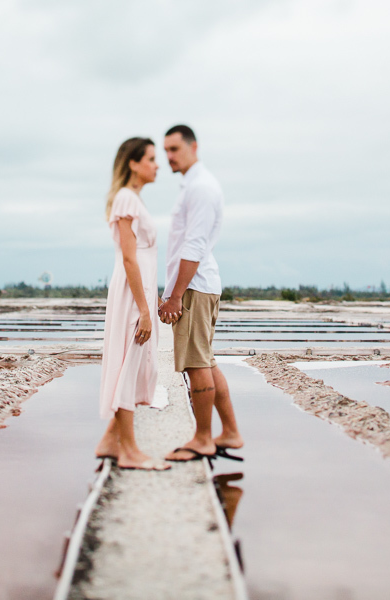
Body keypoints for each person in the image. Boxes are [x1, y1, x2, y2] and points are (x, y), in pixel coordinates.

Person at [158, 125, 244, 462]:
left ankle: (204, 438)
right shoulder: (194, 186)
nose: (169, 157)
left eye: (174, 149)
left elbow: (193, 245)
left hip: (195, 285)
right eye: (165, 151)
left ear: (194, 146)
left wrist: (176, 295)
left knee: (196, 365)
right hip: (198, 284)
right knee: (205, 361)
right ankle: (231, 433)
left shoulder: (202, 188)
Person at [95, 137, 170, 471]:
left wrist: (151, 300)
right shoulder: (126, 198)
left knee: (139, 362)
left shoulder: (134, 200)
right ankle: (129, 450)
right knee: (130, 361)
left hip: (139, 293)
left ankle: (110, 442)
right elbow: (129, 258)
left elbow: (140, 257)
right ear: (133, 163)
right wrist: (143, 309)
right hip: (130, 294)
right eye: (152, 158)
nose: (158, 165)